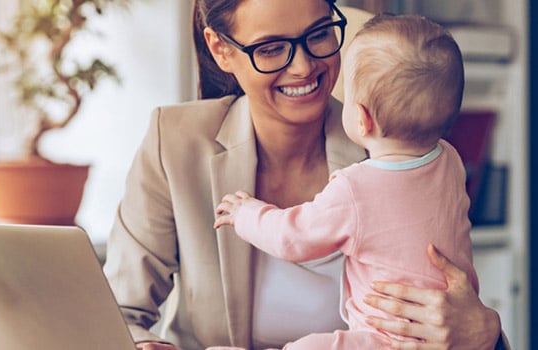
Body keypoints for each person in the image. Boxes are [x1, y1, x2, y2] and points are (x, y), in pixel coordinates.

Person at [102, 0, 508, 349]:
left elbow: (452, 298)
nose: (303, 67)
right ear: (220, 49)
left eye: (318, 35)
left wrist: (486, 333)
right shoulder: (173, 141)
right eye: (272, 48)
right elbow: (116, 313)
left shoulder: (397, 146)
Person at [212, 13, 477, 349]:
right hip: (444, 337)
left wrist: (246, 212)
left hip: (386, 338)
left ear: (362, 118)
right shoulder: (450, 161)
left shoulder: (356, 188)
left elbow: (292, 237)